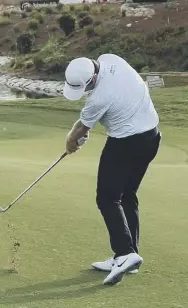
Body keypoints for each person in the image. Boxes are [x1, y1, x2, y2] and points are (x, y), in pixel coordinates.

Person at [63, 54, 161, 286]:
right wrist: (83, 132)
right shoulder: (111, 59)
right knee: (127, 195)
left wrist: (71, 142)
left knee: (107, 198)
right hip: (152, 137)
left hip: (126, 143)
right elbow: (102, 113)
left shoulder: (98, 99)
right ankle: (128, 256)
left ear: (92, 79)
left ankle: (125, 253)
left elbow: (80, 129)